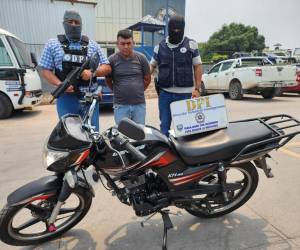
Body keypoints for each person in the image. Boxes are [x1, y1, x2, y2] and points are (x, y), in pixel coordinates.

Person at [39, 10, 111, 131]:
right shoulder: (53, 44)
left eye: (76, 22)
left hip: (90, 97)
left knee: (91, 134)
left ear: (81, 24)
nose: (73, 25)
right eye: (70, 22)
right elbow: (45, 69)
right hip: (66, 98)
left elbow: (107, 67)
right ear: (64, 23)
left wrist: (92, 73)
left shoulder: (92, 45)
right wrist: (60, 84)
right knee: (70, 135)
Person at [150, 15, 203, 136]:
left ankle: (184, 153)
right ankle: (166, 152)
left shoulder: (191, 44)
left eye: (179, 28)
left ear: (183, 28)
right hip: (165, 94)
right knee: (164, 126)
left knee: (186, 127)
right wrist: (142, 76)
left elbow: (198, 66)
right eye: (173, 28)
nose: (176, 31)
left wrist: (197, 89)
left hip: (185, 94)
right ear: (169, 28)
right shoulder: (160, 46)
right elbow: (151, 66)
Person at [105, 29, 151, 125]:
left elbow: (147, 79)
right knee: (122, 136)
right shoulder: (111, 60)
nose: (126, 46)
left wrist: (137, 91)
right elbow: (108, 80)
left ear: (133, 43)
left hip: (139, 105)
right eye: (122, 44)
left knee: (139, 134)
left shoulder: (142, 58)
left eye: (128, 43)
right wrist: (118, 91)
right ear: (117, 44)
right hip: (120, 106)